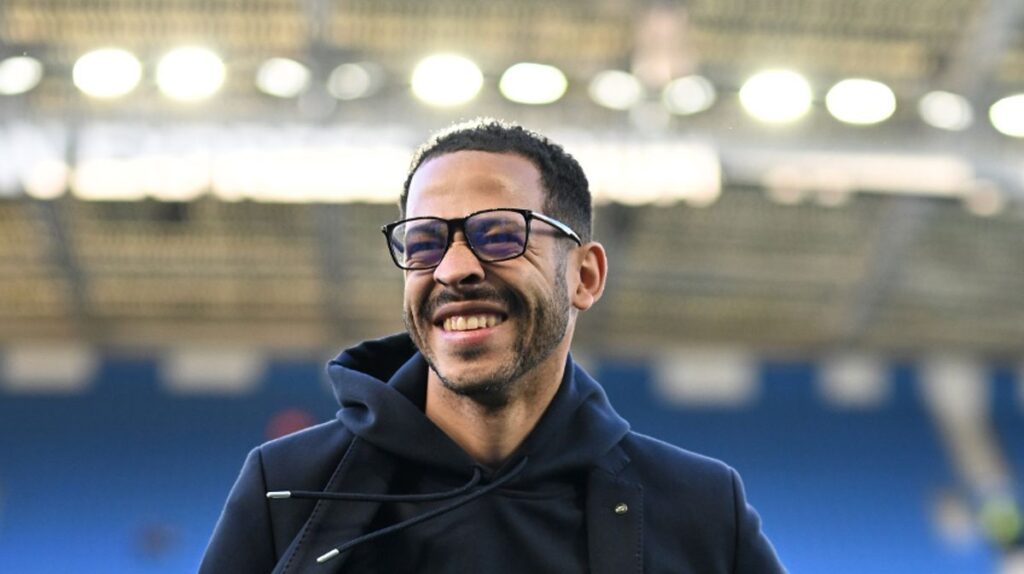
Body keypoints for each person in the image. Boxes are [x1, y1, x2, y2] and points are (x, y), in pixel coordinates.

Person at [200, 119, 785, 573]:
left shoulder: (700, 509)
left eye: (501, 234)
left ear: (584, 277)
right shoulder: (287, 487)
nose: (454, 269)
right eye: (425, 241)